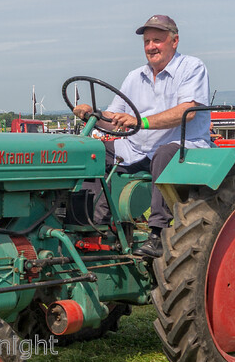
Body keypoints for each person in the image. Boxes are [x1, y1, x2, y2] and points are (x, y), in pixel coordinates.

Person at [72, 14, 210, 258]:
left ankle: (158, 233)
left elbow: (187, 112)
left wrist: (140, 122)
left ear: (174, 41)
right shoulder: (135, 76)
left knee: (164, 153)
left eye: (157, 40)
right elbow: (114, 116)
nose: (150, 47)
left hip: (183, 145)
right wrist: (93, 114)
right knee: (92, 153)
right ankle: (91, 227)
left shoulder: (192, 67)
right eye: (147, 41)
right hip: (137, 148)